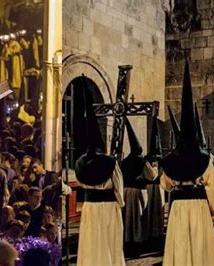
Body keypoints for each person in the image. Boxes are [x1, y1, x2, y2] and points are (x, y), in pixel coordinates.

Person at [160, 61, 214, 266]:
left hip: (178, 207)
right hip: (199, 207)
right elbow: (212, 188)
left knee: (181, 246)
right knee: (198, 246)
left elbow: (164, 184)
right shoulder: (204, 159)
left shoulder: (170, 161)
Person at [74, 85, 124, 266]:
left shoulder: (79, 162)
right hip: (109, 207)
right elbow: (118, 185)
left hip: (89, 207)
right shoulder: (110, 162)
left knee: (92, 243)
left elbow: (80, 181)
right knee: (109, 243)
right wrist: (120, 202)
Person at [119, 119, 149, 245]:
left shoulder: (124, 161)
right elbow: (151, 176)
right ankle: (137, 238)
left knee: (127, 216)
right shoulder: (143, 161)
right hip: (137, 191)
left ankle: (127, 237)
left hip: (126, 191)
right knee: (137, 216)